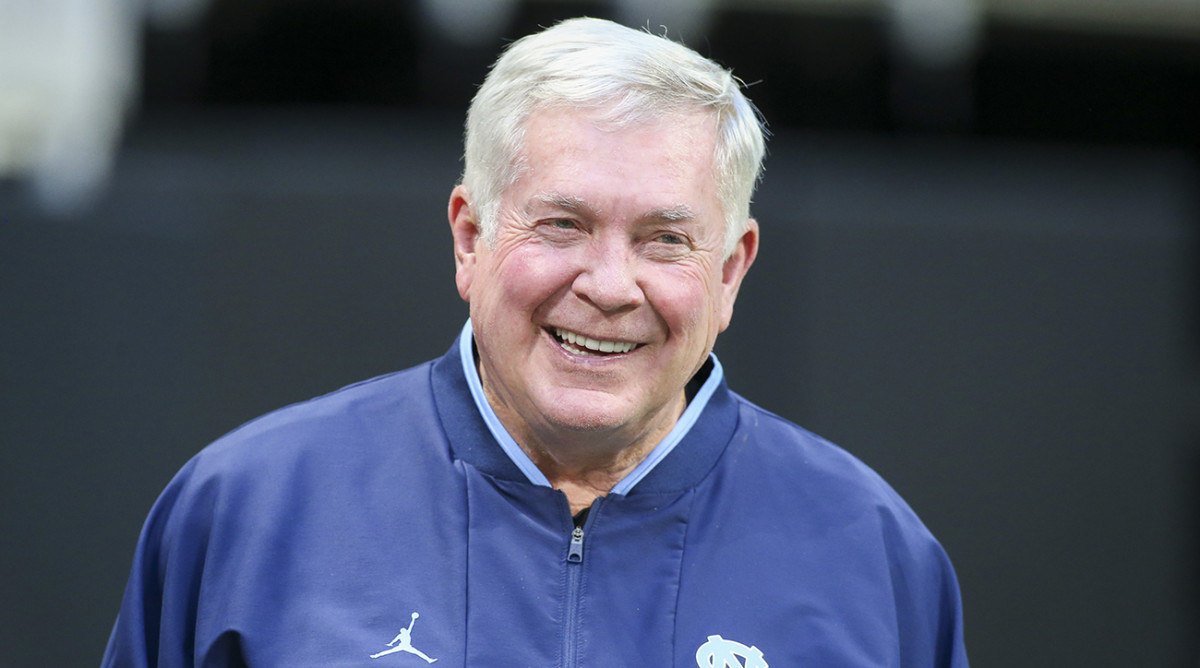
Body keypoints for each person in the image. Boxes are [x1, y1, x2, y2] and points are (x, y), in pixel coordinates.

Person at [103, 17, 968, 667]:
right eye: (562, 225)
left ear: (731, 271)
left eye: (666, 239)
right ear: (469, 239)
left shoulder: (875, 558)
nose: (608, 284)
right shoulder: (249, 513)